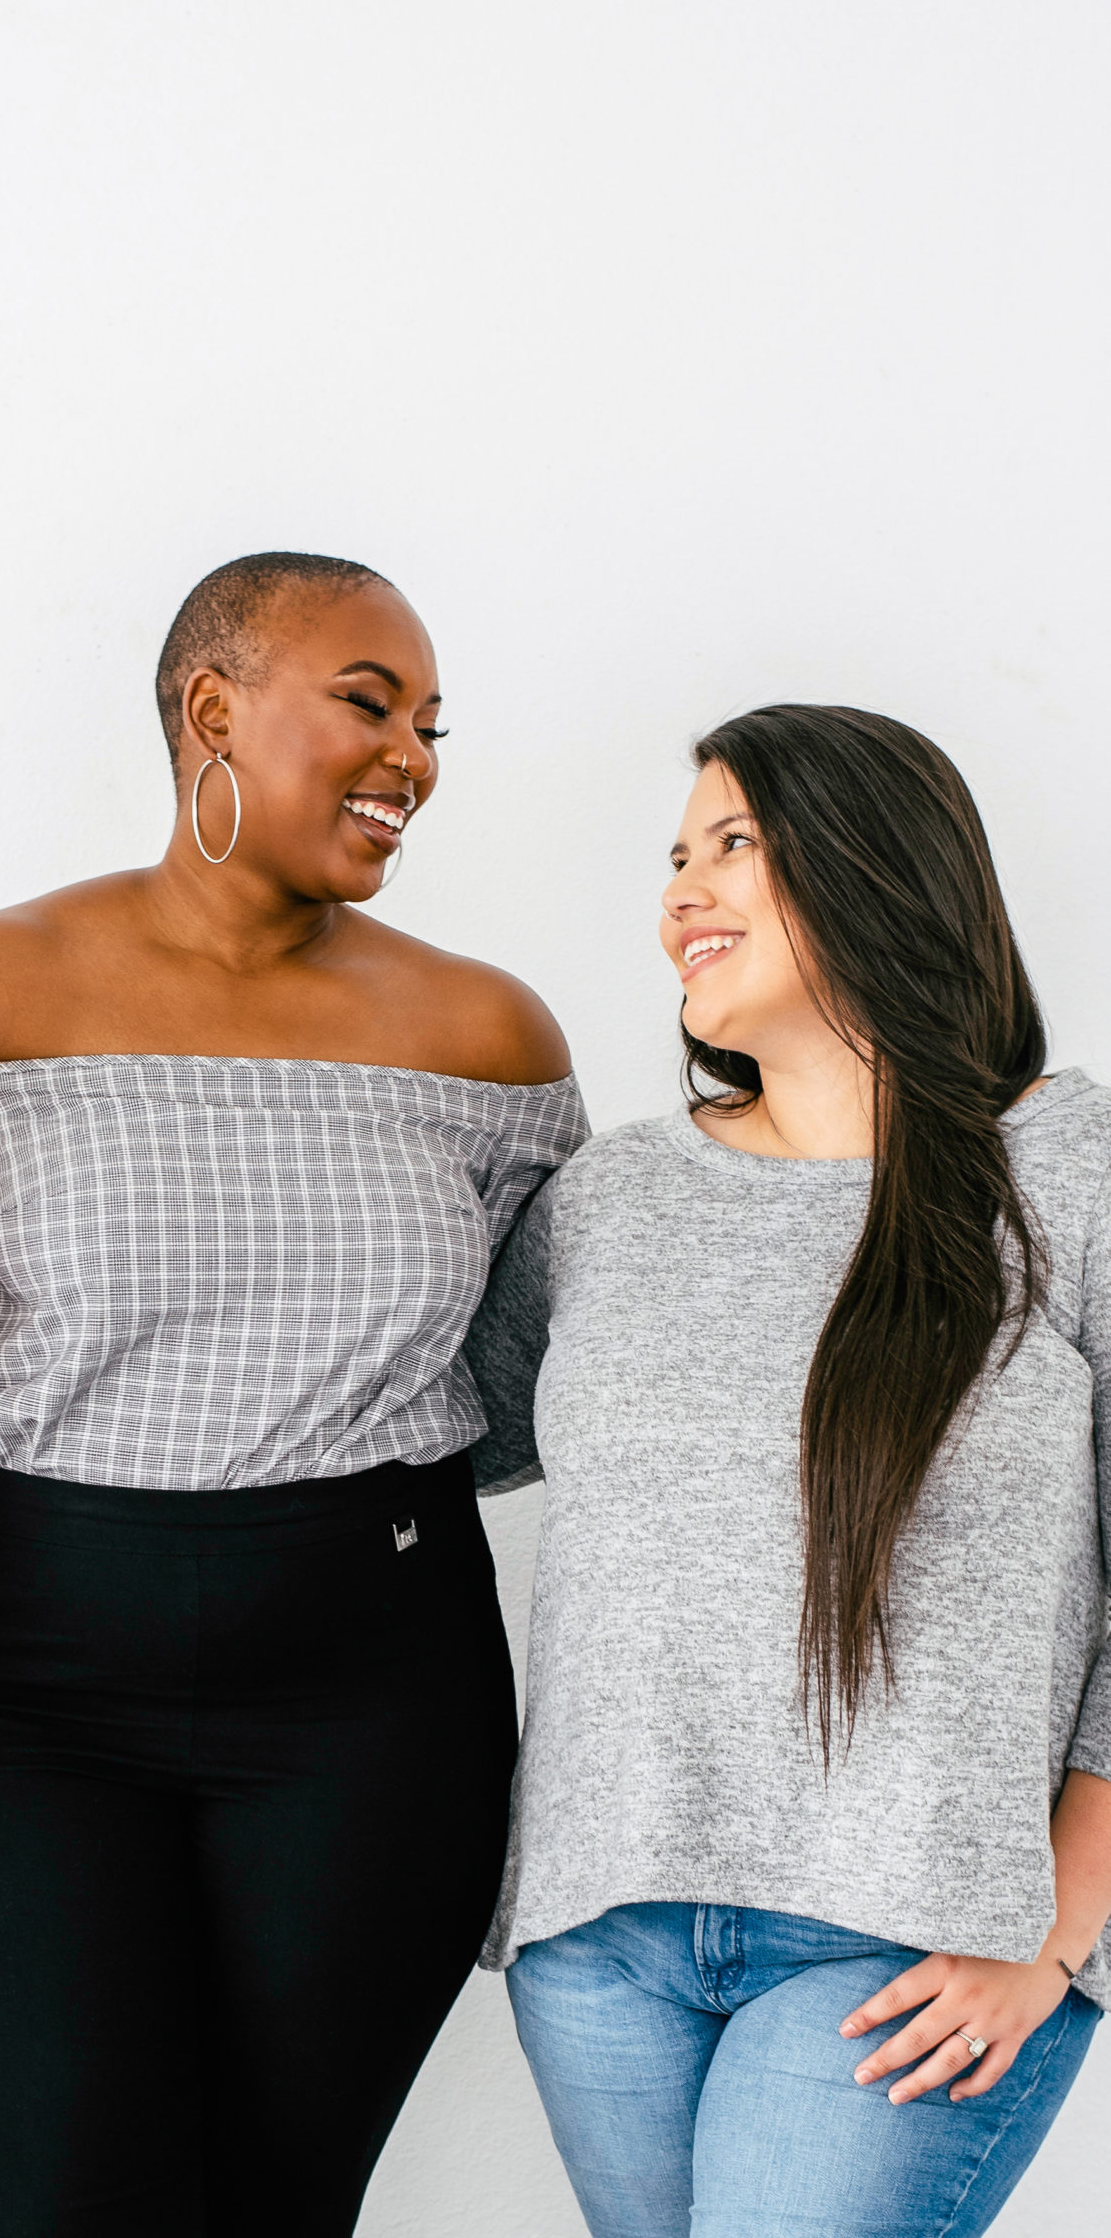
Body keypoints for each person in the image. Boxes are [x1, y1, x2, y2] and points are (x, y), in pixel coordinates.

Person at [0, 550, 585, 2237]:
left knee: (274, 2211)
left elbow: (528, 1391)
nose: (413, 761)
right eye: (367, 705)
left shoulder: (487, 1037)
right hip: (15, 1684)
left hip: (373, 1694)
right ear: (211, 711)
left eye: (432, 727)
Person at [474, 703, 1111, 2238]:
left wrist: (1055, 1933)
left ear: (879, 863)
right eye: (675, 859)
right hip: (599, 1938)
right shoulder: (608, 1195)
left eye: (734, 845)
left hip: (909, 1941)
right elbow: (405, 1441)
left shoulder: (1071, 1169)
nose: (680, 894)